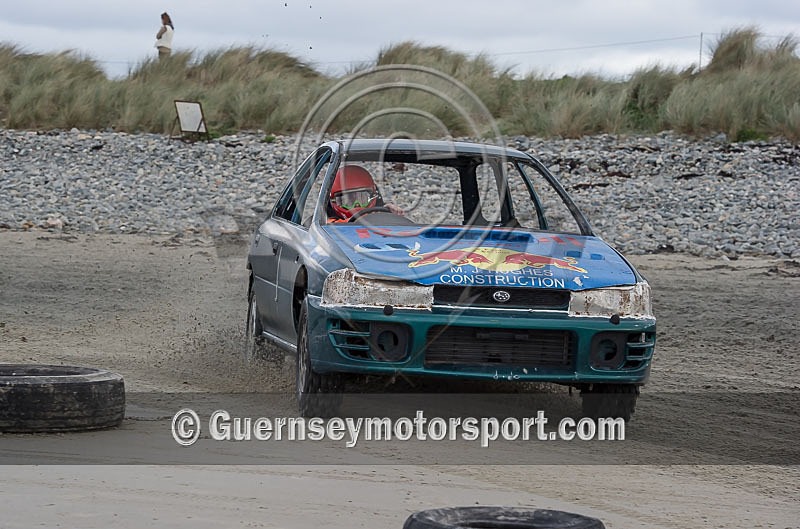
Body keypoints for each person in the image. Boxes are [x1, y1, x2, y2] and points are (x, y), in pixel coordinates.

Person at [327, 165, 404, 223]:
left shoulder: (379, 215)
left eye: (362, 198)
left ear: (373, 196)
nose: (357, 205)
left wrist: (393, 215)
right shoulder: (329, 227)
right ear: (334, 202)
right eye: (348, 201)